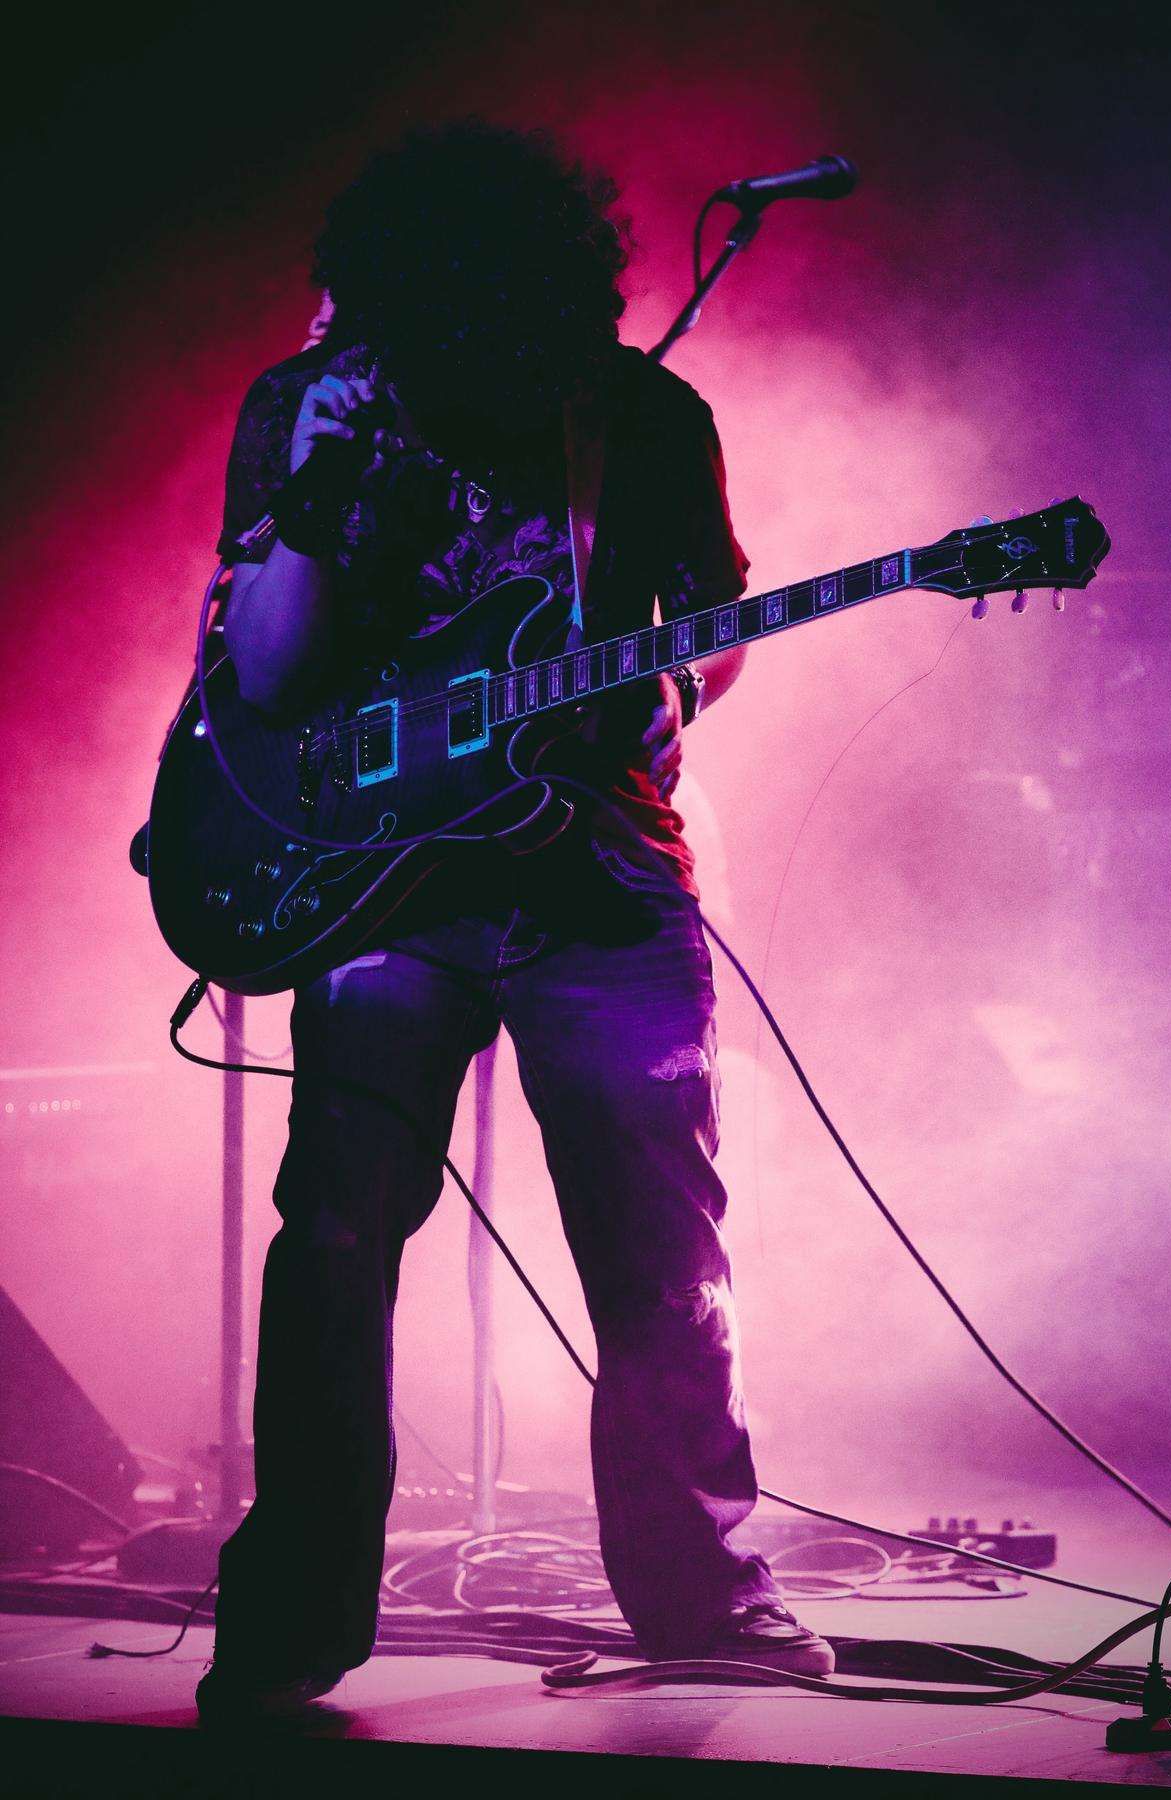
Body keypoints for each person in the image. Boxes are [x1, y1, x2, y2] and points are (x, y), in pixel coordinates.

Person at [197, 119, 834, 1720]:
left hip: (598, 874)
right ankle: (291, 1615)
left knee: (664, 1258)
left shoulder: (639, 413)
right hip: (374, 879)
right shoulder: (312, 408)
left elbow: (716, 622)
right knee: (337, 1240)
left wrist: (672, 682)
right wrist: (331, 482)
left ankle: (701, 1598)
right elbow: (267, 675)